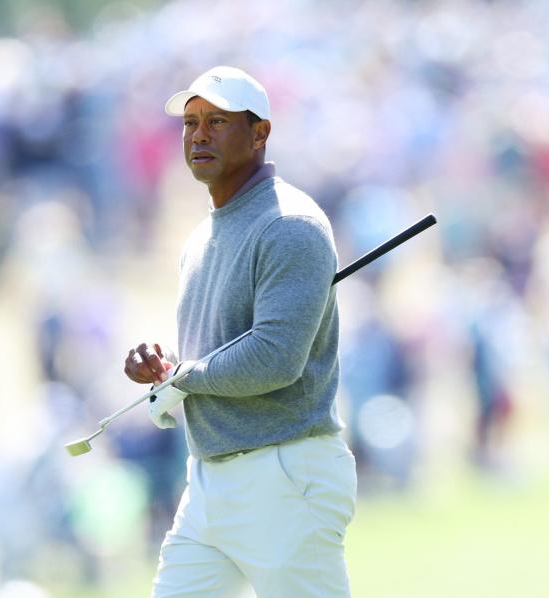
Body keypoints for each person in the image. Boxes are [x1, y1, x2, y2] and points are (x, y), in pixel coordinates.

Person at [123, 65, 357, 598]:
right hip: (210, 481)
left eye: (217, 121)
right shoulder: (202, 235)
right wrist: (166, 370)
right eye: (190, 122)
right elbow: (215, 358)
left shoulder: (288, 225)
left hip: (284, 473)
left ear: (259, 133)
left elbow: (274, 359)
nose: (198, 135)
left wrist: (185, 376)